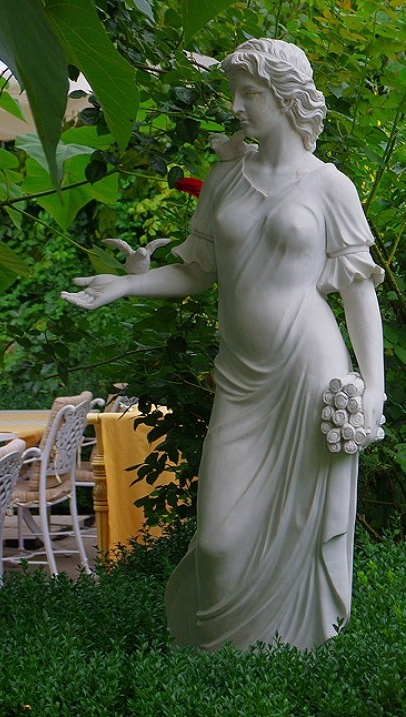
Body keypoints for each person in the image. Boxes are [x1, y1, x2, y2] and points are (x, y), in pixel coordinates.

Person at [62, 38, 385, 651]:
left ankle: (288, 658)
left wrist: (374, 389)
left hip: (308, 370)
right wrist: (125, 286)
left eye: (249, 94)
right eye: (235, 93)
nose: (236, 106)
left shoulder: (331, 186)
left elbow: (358, 291)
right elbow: (196, 270)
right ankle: (219, 662)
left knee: (299, 524)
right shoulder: (224, 178)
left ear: (285, 98)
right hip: (241, 377)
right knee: (217, 542)